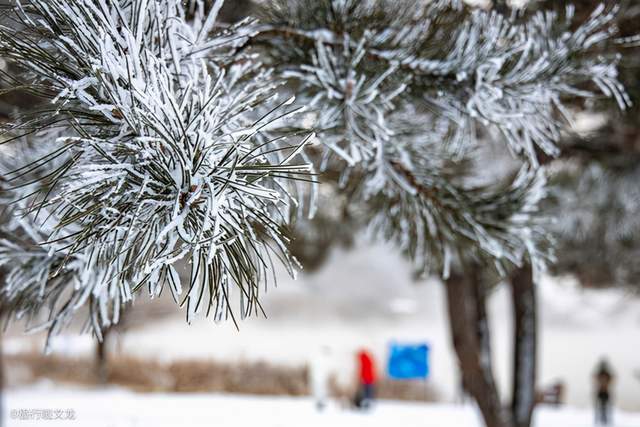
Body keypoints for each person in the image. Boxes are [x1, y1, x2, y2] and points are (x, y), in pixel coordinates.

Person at [310, 346, 332, 411]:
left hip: (319, 379)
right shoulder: (320, 359)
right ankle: (319, 403)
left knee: (321, 391)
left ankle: (320, 403)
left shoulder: (319, 359)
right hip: (319, 379)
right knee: (320, 391)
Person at [594, 359, 615, 426]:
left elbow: (611, 380)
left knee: (605, 407)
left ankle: (604, 419)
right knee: (600, 407)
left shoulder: (605, 374)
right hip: (601, 391)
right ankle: (600, 419)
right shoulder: (601, 373)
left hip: (604, 392)